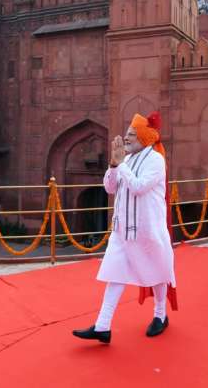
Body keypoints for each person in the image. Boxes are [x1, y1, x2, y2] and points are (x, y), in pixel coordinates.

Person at [73, 112, 177, 344]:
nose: (127, 138)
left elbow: (140, 187)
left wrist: (121, 165)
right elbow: (110, 188)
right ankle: (102, 326)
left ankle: (160, 315)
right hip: (121, 231)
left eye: (132, 134)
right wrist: (113, 165)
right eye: (127, 133)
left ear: (144, 136)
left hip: (147, 229)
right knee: (115, 274)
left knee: (158, 272)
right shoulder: (126, 160)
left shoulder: (156, 160)